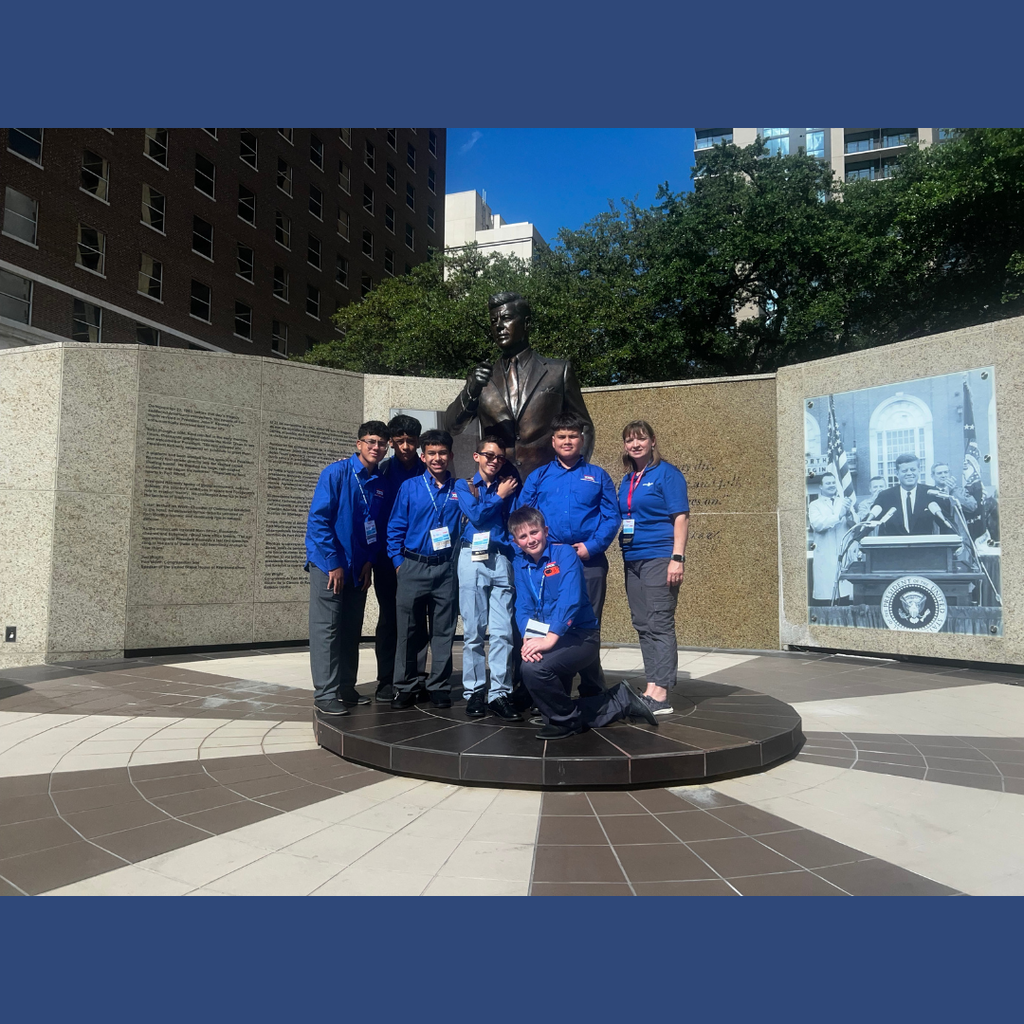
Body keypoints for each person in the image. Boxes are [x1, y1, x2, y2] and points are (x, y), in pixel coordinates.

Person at [508, 506, 657, 740]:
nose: (530, 540)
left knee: (534, 669)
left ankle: (568, 720)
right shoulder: (520, 564)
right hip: (547, 636)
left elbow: (570, 599)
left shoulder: (564, 554)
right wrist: (528, 637)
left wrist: (550, 639)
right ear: (516, 541)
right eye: (523, 536)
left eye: (534, 532)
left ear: (545, 531)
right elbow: (523, 606)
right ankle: (620, 700)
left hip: (580, 636)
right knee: (544, 695)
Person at [516, 410, 619, 696]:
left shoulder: (597, 476)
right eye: (561, 436)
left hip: (589, 561)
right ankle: (555, 692)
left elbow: (612, 517)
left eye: (573, 436)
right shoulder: (539, 477)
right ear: (553, 441)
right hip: (552, 562)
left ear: (582, 440)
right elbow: (522, 517)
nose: (567, 441)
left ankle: (593, 692)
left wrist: (592, 546)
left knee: (586, 627)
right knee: (551, 621)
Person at [444, 291, 594, 480]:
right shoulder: (481, 378)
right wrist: (470, 391)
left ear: (527, 323)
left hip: (547, 483)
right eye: (493, 321)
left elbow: (585, 426)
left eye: (506, 318)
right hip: (499, 486)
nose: (499, 326)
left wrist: (576, 473)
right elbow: (451, 426)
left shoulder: (559, 371)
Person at [304, 421, 391, 716]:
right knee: (327, 629)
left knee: (350, 629)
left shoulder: (378, 481)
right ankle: (325, 694)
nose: (375, 447)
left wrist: (368, 561)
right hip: (330, 566)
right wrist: (333, 563)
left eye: (381, 443)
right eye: (370, 441)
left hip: (359, 568)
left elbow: (375, 528)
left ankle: (345, 687)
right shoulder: (336, 473)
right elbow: (319, 521)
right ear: (359, 443)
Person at [387, 429, 463, 709]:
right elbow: (395, 528)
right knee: (408, 630)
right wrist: (398, 563)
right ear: (423, 456)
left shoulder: (460, 489)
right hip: (413, 565)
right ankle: (405, 685)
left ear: (450, 456)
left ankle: (439, 685)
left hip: (445, 570)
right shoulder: (410, 487)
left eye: (442, 453)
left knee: (443, 631)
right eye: (431, 453)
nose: (437, 458)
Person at [618, 420, 689, 717]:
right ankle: (651, 687)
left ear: (653, 441)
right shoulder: (627, 478)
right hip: (632, 558)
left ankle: (661, 694)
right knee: (642, 624)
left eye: (641, 439)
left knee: (659, 623)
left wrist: (677, 557)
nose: (636, 444)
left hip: (660, 558)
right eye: (630, 440)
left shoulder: (667, 474)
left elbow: (681, 517)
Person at [454, 436, 522, 720]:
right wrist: (500, 496)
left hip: (501, 558)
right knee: (473, 633)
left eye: (499, 458)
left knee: (503, 632)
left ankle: (499, 693)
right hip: (472, 558)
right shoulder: (464, 485)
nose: (495, 461)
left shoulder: (510, 486)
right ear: (476, 456)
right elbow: (477, 516)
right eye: (489, 456)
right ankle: (474, 692)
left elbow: (518, 519)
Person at [372, 414, 429, 703]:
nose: (406, 446)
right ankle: (385, 678)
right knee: (390, 620)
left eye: (411, 440)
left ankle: (415, 678)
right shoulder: (381, 471)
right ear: (392, 442)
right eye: (400, 440)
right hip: (386, 560)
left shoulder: (428, 471)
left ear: (418, 442)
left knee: (418, 621)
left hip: (419, 559)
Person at [876, 454, 955, 536]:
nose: (909, 473)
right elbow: (870, 524)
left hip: (924, 547)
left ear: (919, 471)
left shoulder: (931, 493)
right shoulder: (885, 496)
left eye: (913, 469)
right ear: (897, 473)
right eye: (904, 471)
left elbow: (947, 525)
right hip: (893, 547)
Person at [808, 472, 856, 605]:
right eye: (828, 483)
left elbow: (855, 525)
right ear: (821, 486)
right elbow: (818, 525)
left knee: (846, 594)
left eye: (833, 482)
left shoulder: (844, 502)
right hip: (826, 554)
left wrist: (850, 515)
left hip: (843, 553)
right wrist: (839, 515)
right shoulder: (814, 505)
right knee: (827, 595)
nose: (831, 485)